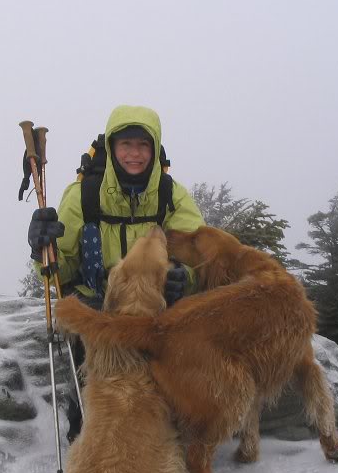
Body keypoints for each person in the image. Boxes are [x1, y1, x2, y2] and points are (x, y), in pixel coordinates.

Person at [26, 104, 205, 439]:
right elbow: (58, 272)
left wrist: (183, 277)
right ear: (111, 147)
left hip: (156, 308)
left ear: (154, 148)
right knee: (100, 396)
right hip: (99, 307)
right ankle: (90, 430)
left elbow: (197, 255)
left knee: (168, 389)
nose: (134, 154)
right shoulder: (83, 196)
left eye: (143, 145)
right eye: (126, 145)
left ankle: (168, 433)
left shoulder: (170, 196)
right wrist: (41, 249)